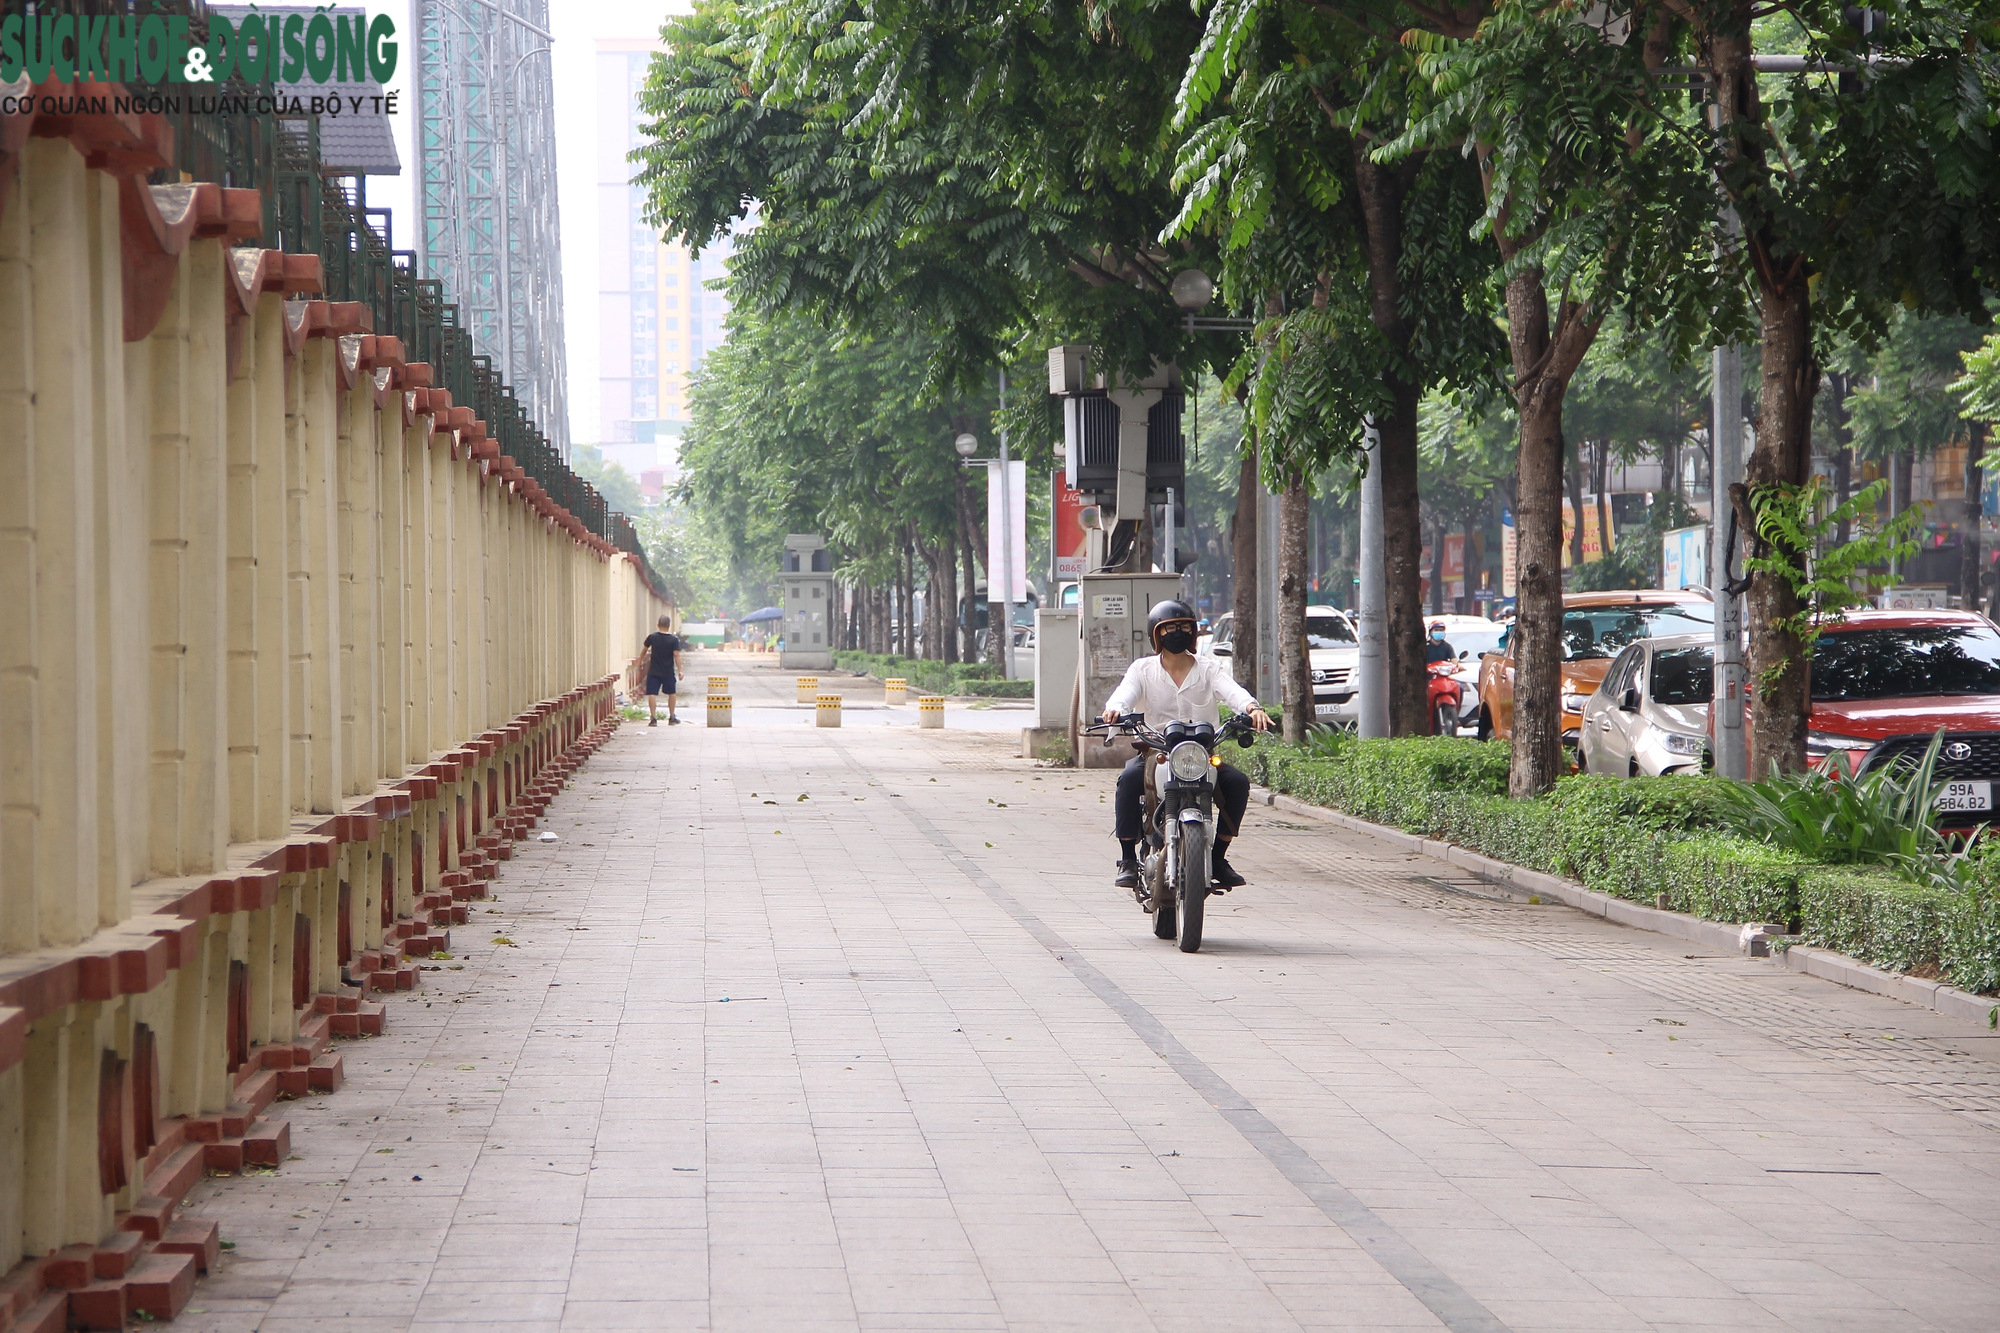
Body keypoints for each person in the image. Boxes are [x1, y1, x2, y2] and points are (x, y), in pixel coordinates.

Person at [1101, 599, 1272, 894]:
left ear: (1193, 632)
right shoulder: (1142, 669)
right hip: (1157, 752)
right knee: (1129, 779)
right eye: (1169, 628)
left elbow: (1233, 692)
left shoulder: (1209, 668)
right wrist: (1115, 710)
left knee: (1237, 783)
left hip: (1202, 754)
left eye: (1183, 627)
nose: (1177, 632)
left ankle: (1218, 856)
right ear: (1157, 634)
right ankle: (1128, 859)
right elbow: (1125, 694)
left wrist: (1252, 708)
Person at [638, 615, 683, 726]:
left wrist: (640, 661)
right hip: (668, 671)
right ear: (669, 626)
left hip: (654, 671)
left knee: (652, 693)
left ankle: (653, 718)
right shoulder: (673, 640)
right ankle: (672, 717)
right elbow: (676, 655)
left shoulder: (652, 637)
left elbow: (644, 650)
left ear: (658, 625)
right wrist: (680, 670)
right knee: (672, 693)